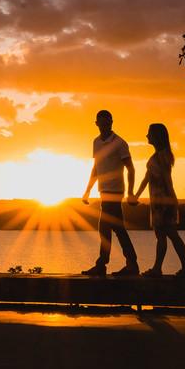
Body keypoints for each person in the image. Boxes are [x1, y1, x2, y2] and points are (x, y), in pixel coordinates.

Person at [130, 123, 185, 277]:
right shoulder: (157, 155)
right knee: (163, 235)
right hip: (157, 202)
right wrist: (136, 196)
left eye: (149, 133)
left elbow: (167, 178)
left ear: (156, 136)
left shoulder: (162, 155)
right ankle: (161, 268)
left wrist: (172, 199)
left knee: (170, 234)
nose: (147, 136)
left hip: (163, 201)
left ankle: (170, 268)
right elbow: (146, 178)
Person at [81, 109, 138, 276]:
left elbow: (130, 168)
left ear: (112, 123)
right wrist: (87, 190)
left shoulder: (120, 143)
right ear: (97, 124)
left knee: (105, 227)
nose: (106, 127)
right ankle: (131, 264)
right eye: (103, 124)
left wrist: (131, 192)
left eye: (108, 124)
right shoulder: (96, 142)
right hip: (104, 191)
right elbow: (96, 168)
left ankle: (103, 264)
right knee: (116, 228)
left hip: (116, 191)